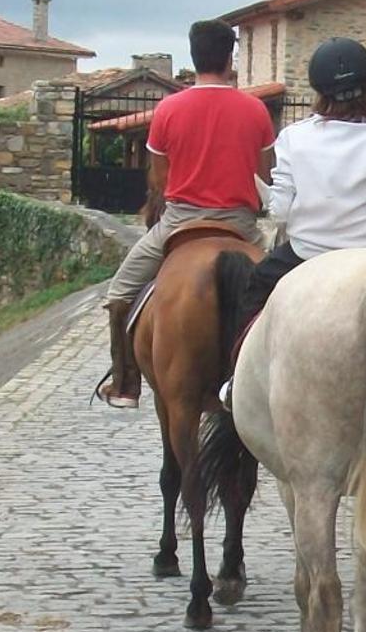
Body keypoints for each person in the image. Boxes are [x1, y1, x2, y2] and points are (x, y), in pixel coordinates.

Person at [95, 20, 276, 408]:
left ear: (194, 59)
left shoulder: (168, 109)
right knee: (289, 288)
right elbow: (265, 174)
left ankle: (125, 381)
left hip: (180, 221)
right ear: (230, 60)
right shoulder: (256, 110)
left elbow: (160, 180)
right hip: (242, 226)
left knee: (120, 292)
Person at [217, 37, 366, 403]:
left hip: (305, 255)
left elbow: (282, 212)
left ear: (318, 90)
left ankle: (236, 380)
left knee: (255, 292)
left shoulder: (293, 139)